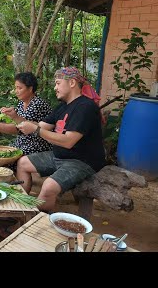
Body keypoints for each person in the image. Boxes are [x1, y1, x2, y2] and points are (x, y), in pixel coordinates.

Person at [16, 66, 106, 212]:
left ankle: (36, 222)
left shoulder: (85, 107)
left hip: (81, 161)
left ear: (71, 83)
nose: (55, 88)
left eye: (58, 83)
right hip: (60, 155)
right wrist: (18, 119)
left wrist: (36, 130)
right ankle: (20, 207)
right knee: (23, 162)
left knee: (48, 187)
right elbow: (40, 126)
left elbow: (68, 141)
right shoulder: (63, 106)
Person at [0, 72, 53, 156]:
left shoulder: (37, 104)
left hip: (37, 146)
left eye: (19, 88)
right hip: (21, 143)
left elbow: (19, 129)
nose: (16, 91)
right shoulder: (22, 103)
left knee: (5, 160)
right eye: (15, 88)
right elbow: (17, 123)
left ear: (30, 89)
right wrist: (9, 118)